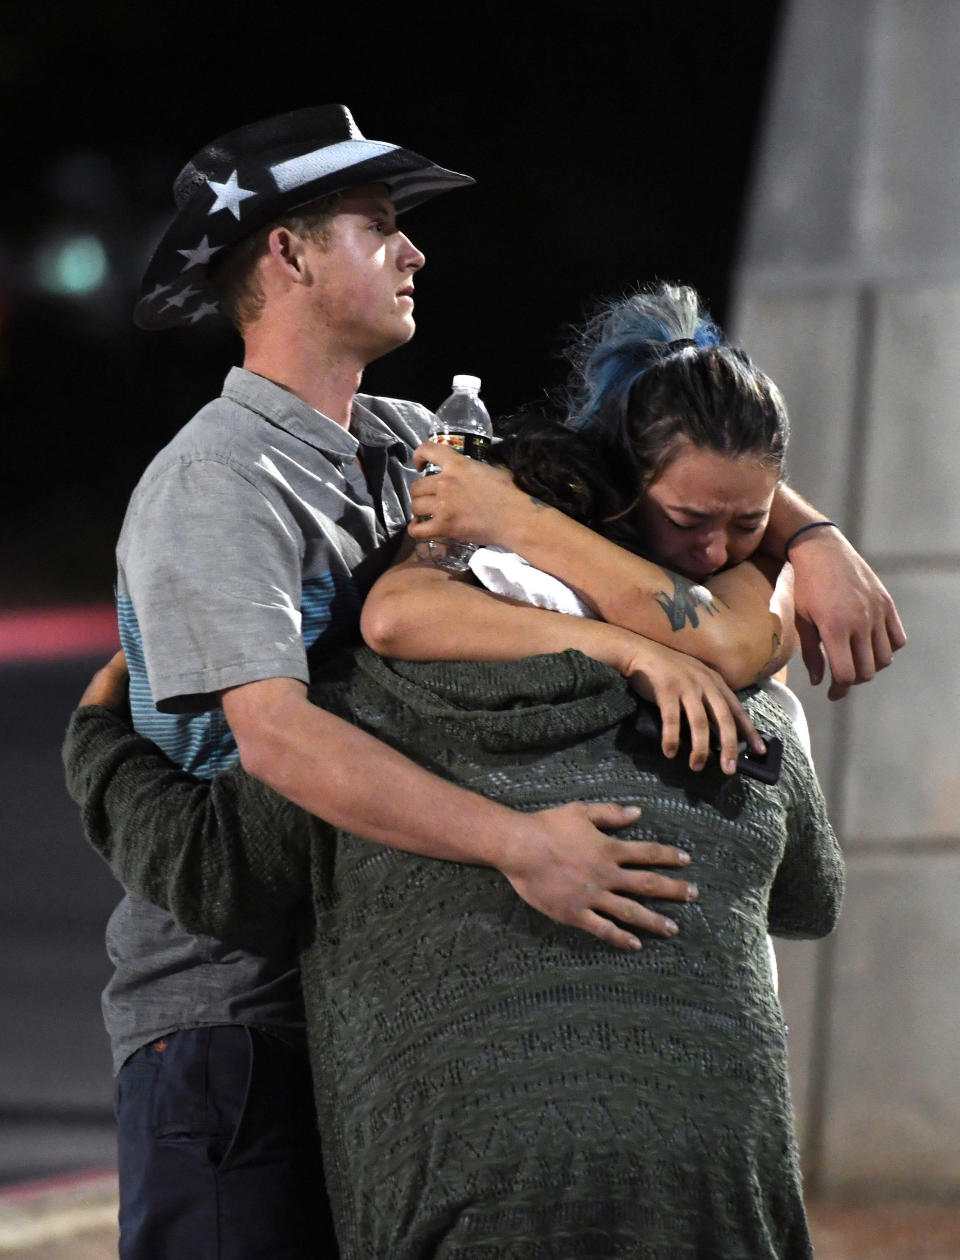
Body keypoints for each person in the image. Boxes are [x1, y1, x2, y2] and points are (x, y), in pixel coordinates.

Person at [108, 106, 796, 1259]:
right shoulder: (216, 480)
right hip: (230, 1019)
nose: (415, 251)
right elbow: (275, 739)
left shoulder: (401, 440)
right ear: (285, 252)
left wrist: (810, 539)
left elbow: (657, 459)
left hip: (357, 1002)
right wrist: (519, 842)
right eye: (379, 226)